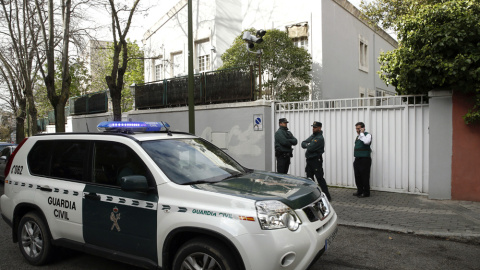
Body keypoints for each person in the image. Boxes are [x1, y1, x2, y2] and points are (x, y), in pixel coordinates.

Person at [301, 121, 331, 201]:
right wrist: (308, 144)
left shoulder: (319, 138)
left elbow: (310, 148)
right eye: (313, 127)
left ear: (319, 128)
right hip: (310, 161)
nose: (313, 129)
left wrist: (308, 145)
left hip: (316, 161)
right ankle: (312, 196)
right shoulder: (313, 136)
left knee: (320, 178)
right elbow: (303, 143)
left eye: (315, 127)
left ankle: (327, 196)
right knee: (309, 179)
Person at [353, 122, 372, 198]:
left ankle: (366, 192)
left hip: (365, 159)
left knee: (365, 176)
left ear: (363, 128)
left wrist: (361, 133)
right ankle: (359, 191)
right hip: (357, 159)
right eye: (356, 129)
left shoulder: (367, 135)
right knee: (357, 176)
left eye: (358, 128)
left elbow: (366, 142)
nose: (357, 130)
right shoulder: (358, 137)